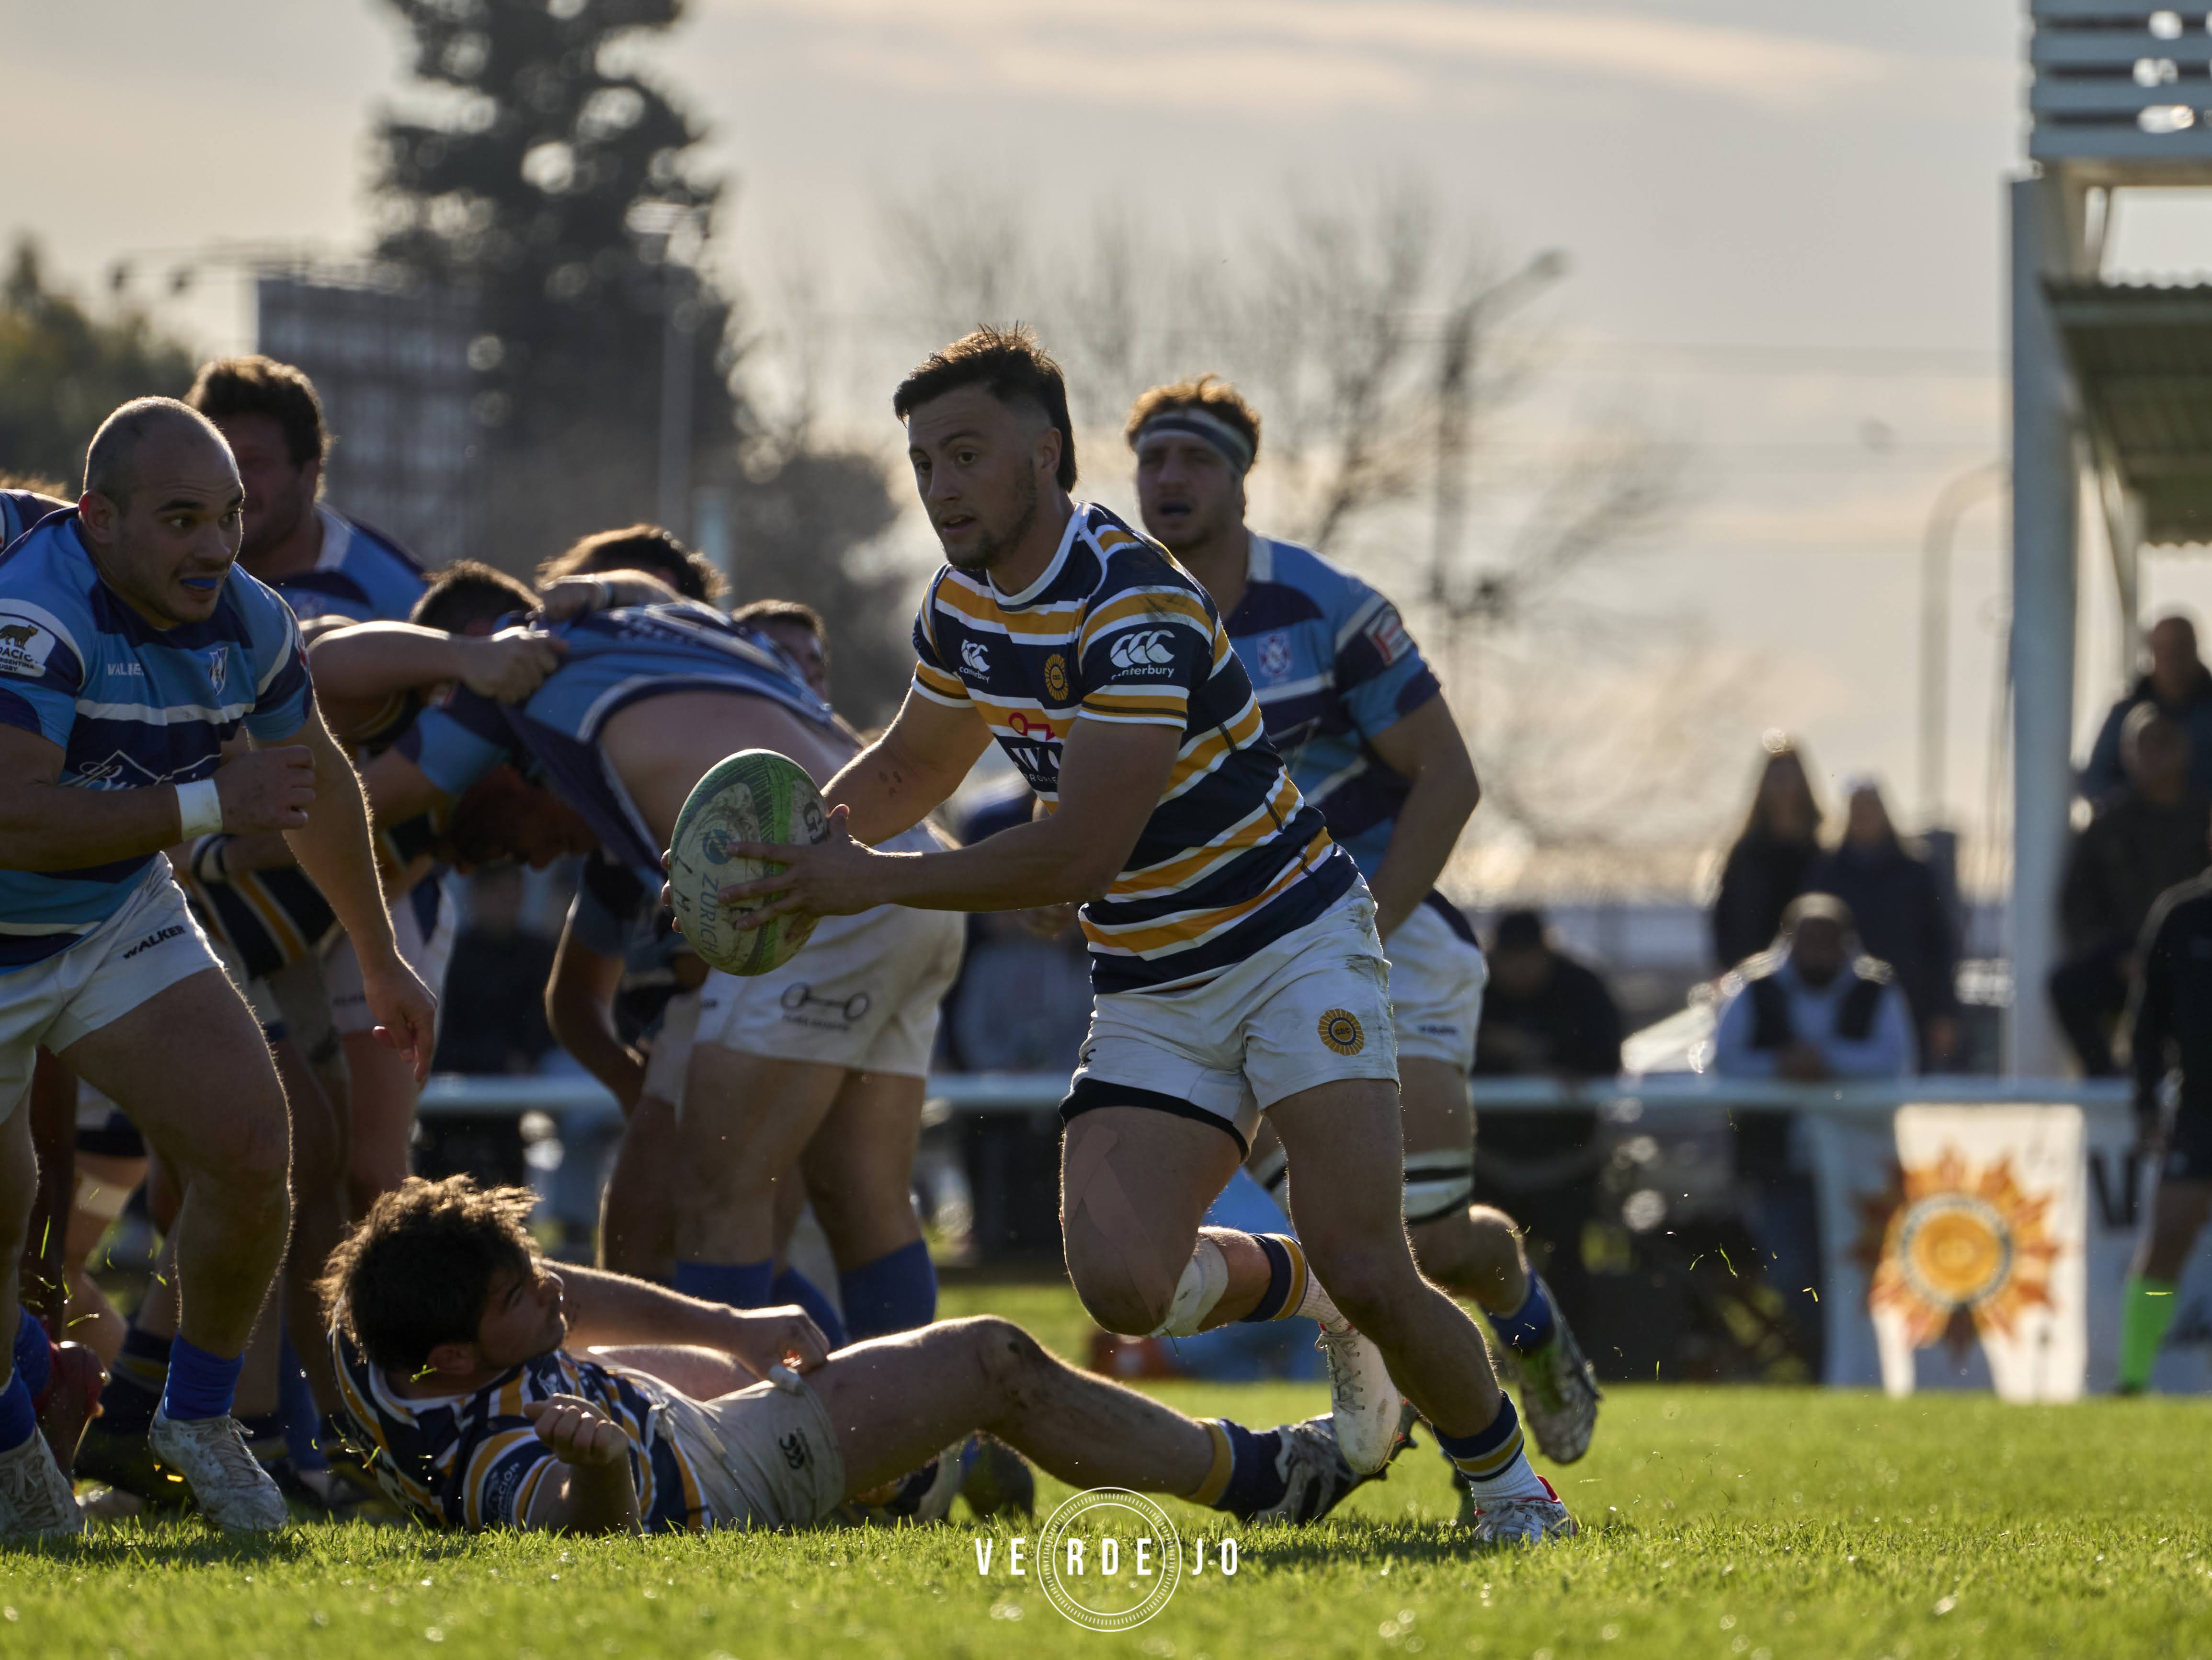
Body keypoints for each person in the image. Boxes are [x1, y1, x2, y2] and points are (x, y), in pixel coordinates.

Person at [715, 327, 1575, 1544]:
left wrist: (860, 883)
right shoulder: (960, 606)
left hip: (1291, 945)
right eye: (922, 463)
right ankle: (1323, 1299)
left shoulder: (1135, 606)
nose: (942, 486)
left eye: (967, 454)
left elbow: (1079, 856)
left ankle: (1508, 1488)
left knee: (1383, 1262)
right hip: (1155, 978)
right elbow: (913, 763)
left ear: (1047, 453)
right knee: (1121, 1283)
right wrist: (762, 862)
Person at [1122, 374, 1599, 1477]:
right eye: (1151, 460)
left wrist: (1360, 929)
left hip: (1392, 949)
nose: (1170, 479)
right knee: (1357, 1249)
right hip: (1237, 971)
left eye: (1193, 459)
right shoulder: (1119, 617)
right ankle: (1383, 1378)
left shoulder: (1325, 606)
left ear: (1240, 479)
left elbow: (1447, 776)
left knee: (1426, 1243)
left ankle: (1521, 1318)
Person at [0, 398, 435, 1534]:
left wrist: (382, 959)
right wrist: (203, 800)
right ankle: (11, 1448)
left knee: (251, 1147)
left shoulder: (251, 618)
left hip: (105, 912)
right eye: (181, 518)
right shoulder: (36, 611)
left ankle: (195, 1421)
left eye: (232, 515)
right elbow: (11, 817)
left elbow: (318, 782)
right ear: (97, 519)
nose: (214, 546)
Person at [358, 561, 962, 1358]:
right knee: (866, 1202)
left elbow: (362, 798)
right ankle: (913, 1453)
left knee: (713, 1200)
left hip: (809, 882)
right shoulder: (677, 625)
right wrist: (603, 588)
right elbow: (646, 590)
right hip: (911, 870)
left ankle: (731, 1458)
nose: (476, 858)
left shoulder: (505, 678)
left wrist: (224, 819)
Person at [324, 1175, 1381, 1534]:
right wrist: (596, 1465)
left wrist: (726, 1327)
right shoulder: (485, 1451)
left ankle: (918, 1469)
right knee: (990, 1358)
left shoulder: (390, 1334)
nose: (551, 1285)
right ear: (457, 1361)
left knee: (778, 1374)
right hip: (695, 1480)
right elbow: (576, 1532)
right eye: (521, 1292)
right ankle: (1263, 1478)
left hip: (648, 1405)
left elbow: (561, 1300)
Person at [186, 356, 427, 628]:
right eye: (221, 460)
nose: (235, 481)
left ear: (309, 474)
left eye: (256, 463)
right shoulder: (172, 570)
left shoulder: (398, 596)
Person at [2052, 709, 2212, 1076]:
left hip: (2193, 959)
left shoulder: (2203, 818)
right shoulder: (2107, 826)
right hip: (2124, 962)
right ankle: (2107, 1081)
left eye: (2164, 743)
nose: (2155, 754)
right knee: (2067, 986)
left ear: (2185, 750)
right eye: (2144, 744)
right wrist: (2121, 955)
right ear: (2127, 755)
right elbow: (2077, 905)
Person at [2121, 861, 2212, 1393]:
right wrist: (2144, 1098)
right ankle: (2133, 1376)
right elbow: (2147, 1013)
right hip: (2199, 1109)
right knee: (2169, 1239)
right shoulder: (2182, 915)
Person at [1804, 780, 1959, 1071]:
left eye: (1870, 808)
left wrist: (1944, 1012)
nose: (1864, 817)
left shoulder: (1916, 872)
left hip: (1911, 1000)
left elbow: (1940, 943)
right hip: (1843, 1000)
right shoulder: (1826, 873)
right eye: (1857, 810)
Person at [1710, 895, 1915, 1080]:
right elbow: (1725, 1059)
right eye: (1809, 942)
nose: (1817, 954)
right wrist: (1779, 1064)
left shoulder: (1877, 990)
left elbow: (1897, 1061)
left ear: (1845, 944)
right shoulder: (1755, 988)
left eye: (1827, 942)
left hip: (1854, 1120)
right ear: (1791, 943)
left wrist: (1829, 1060)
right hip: (1770, 1119)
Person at [1710, 735, 1823, 973]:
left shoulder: (1823, 851)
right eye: (1777, 777)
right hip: (1755, 977)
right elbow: (1726, 921)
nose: (1783, 787)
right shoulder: (1746, 854)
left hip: (1818, 978)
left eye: (1790, 777)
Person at [1474, 911, 1624, 1080]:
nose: (1520, 970)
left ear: (1546, 954)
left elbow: (1606, 1057)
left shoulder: (1580, 988)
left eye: (1527, 957)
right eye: (1511, 958)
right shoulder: (1475, 989)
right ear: (1495, 958)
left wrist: (1533, 1052)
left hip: (1569, 1105)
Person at [2083, 614, 2212, 804]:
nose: (2173, 658)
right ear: (2152, 652)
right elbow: (2095, 780)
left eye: (2181, 648)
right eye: (2164, 650)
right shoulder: (2123, 715)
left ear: (2194, 649)